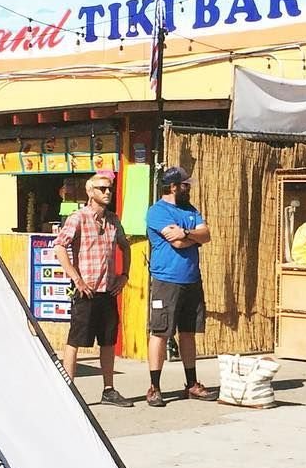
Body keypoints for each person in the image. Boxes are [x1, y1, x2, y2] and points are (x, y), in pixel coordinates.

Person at [53, 173, 132, 406]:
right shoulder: (78, 217)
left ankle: (109, 389)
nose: (107, 192)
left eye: (109, 189)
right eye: (102, 188)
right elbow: (59, 246)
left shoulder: (113, 220)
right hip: (86, 290)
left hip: (107, 289)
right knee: (75, 339)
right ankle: (68, 389)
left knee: (108, 341)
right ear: (90, 192)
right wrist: (76, 279)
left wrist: (124, 275)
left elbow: (125, 246)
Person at [145, 165, 217, 407]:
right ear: (173, 187)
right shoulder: (157, 211)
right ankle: (154, 386)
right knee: (161, 332)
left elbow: (206, 235)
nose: (189, 188)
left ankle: (192, 383)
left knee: (188, 332)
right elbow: (176, 243)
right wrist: (193, 237)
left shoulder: (190, 210)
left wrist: (186, 233)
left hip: (192, 279)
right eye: (185, 185)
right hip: (167, 280)